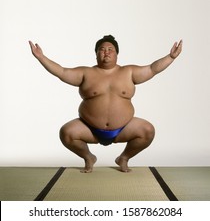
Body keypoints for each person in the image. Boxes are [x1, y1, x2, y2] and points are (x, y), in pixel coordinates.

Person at [29, 35, 182, 173]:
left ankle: (124, 158)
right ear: (96, 54)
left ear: (117, 54)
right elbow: (61, 72)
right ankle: (88, 157)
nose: (106, 52)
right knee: (67, 133)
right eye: (102, 50)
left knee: (147, 131)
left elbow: (152, 69)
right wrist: (41, 57)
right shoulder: (85, 73)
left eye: (111, 49)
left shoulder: (128, 72)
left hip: (124, 128)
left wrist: (171, 57)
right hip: (90, 129)